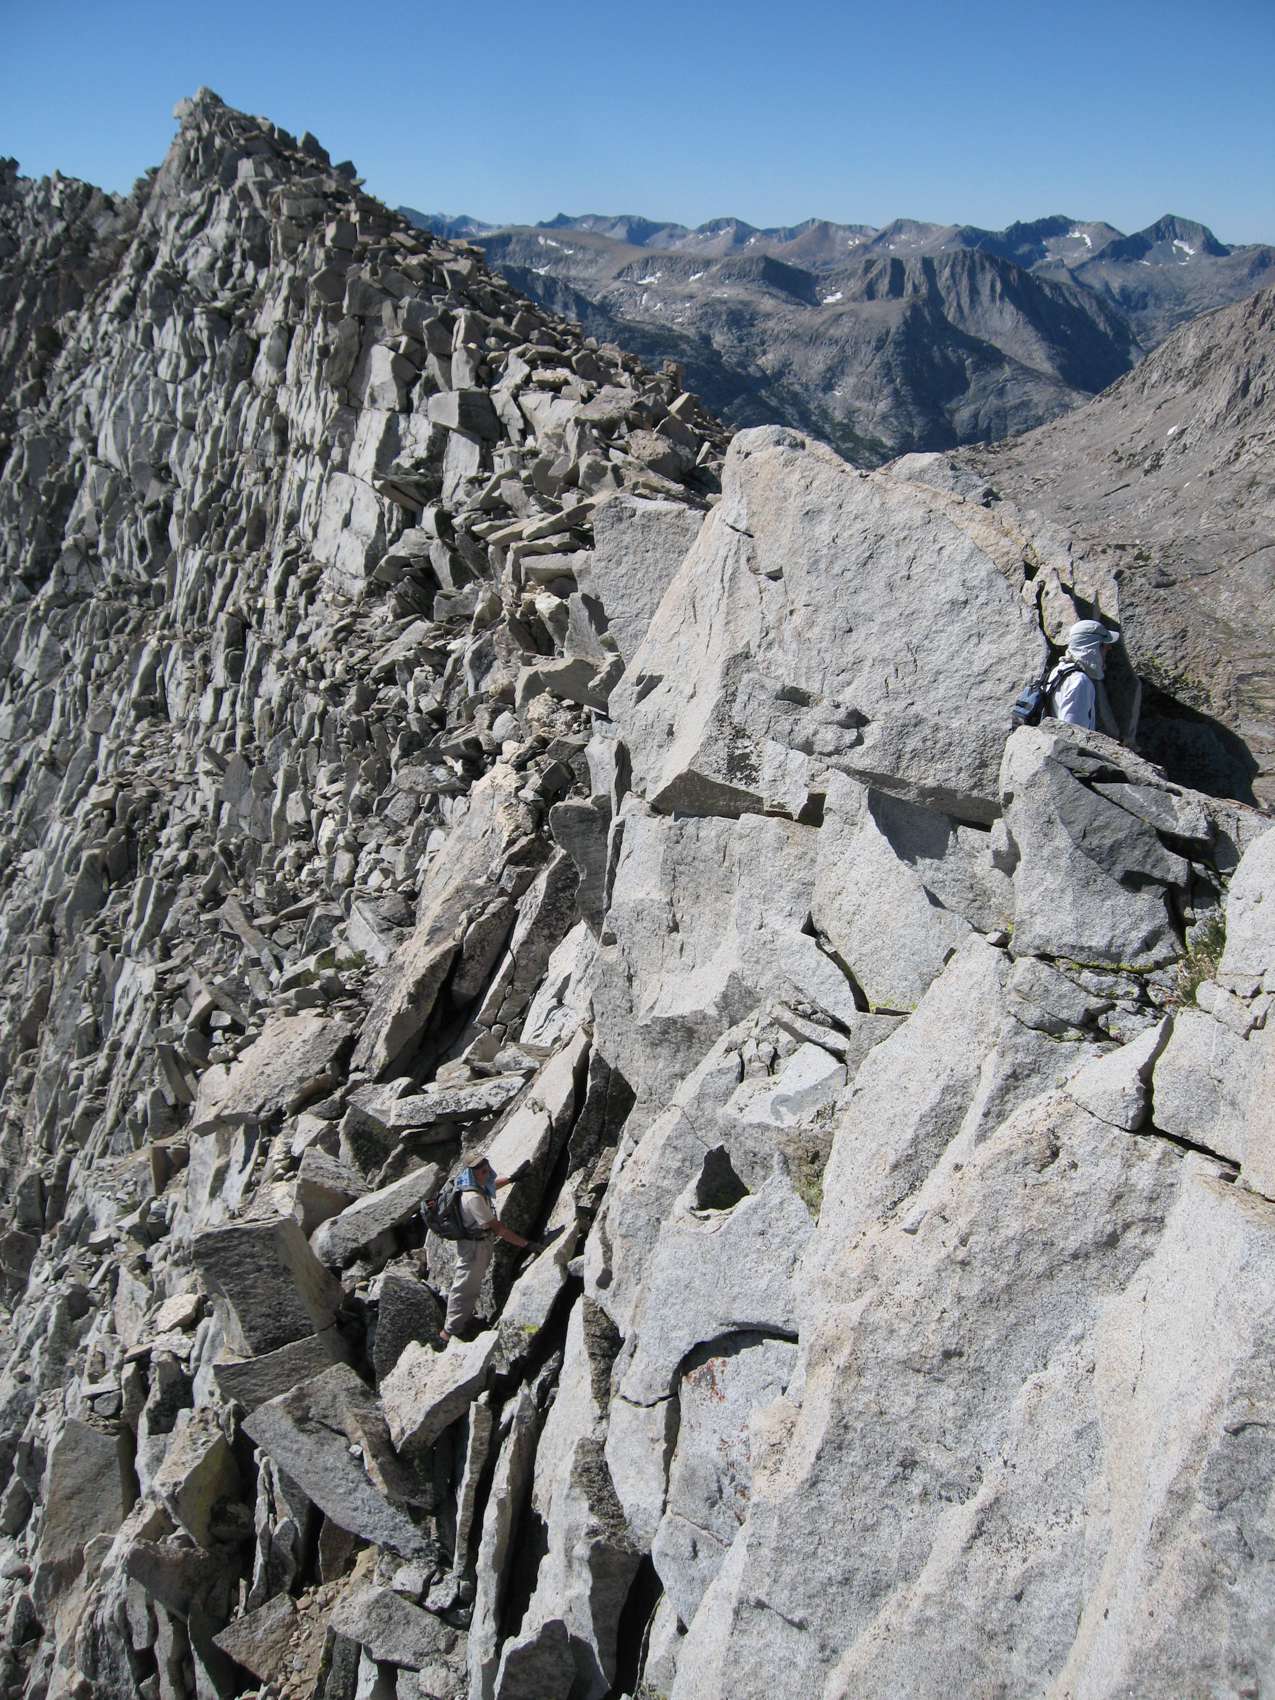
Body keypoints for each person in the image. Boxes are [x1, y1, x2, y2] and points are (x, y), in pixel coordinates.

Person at [438, 1156, 552, 1345]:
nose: (488, 1173)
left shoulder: (467, 1182)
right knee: (464, 1287)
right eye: (483, 1171)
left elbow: (489, 1186)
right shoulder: (473, 1198)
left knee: (470, 1285)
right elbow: (499, 1229)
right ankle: (448, 1333)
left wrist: (512, 1179)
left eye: (487, 1168)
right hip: (474, 1248)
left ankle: (464, 1321)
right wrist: (527, 1245)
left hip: (476, 1244)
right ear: (472, 1173)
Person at [1046, 620, 1120, 730]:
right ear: (1094, 647)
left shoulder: (1058, 671)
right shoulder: (1080, 681)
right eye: (1105, 646)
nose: (1109, 648)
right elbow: (1072, 733)